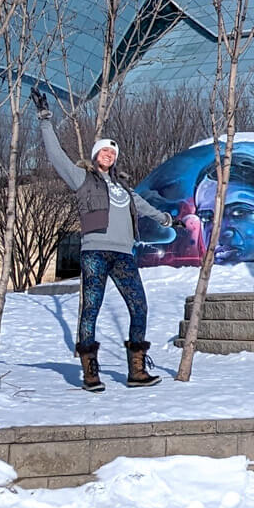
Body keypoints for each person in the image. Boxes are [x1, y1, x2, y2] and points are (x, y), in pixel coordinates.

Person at [31, 84, 172, 392]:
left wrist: (165, 218)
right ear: (95, 156)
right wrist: (45, 119)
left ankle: (136, 369)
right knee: (91, 308)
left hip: (124, 255)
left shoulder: (123, 188)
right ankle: (90, 371)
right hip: (95, 252)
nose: (108, 154)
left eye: (112, 151)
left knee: (139, 307)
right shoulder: (82, 179)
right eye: (104, 150)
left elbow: (143, 206)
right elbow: (56, 156)